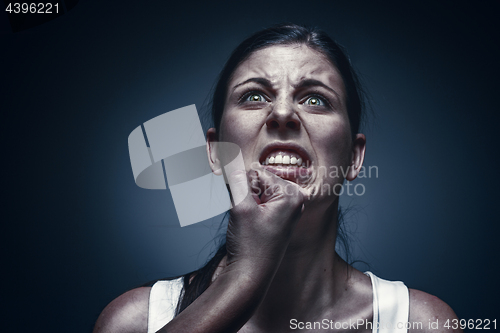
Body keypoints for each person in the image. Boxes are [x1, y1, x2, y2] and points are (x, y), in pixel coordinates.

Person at [93, 24, 462, 333]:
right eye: (254, 96)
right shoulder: (135, 321)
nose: (282, 112)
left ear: (353, 157)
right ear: (215, 151)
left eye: (315, 100)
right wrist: (246, 274)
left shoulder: (421, 323)